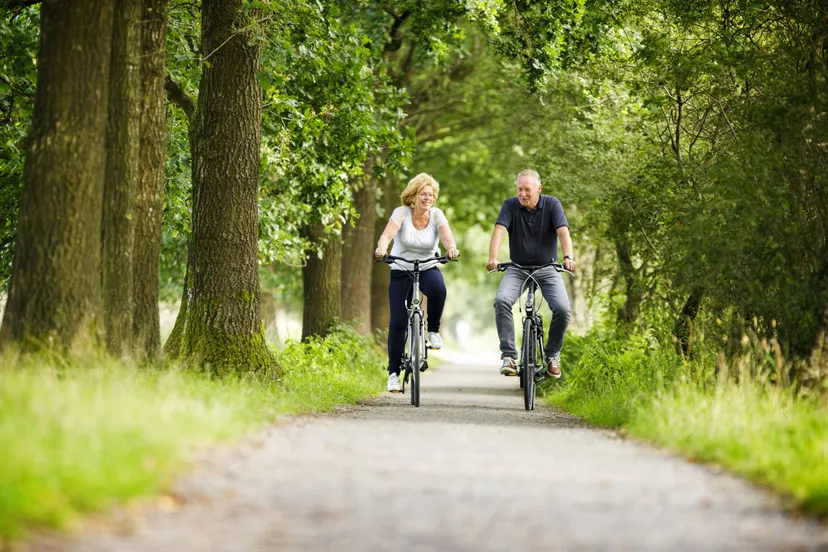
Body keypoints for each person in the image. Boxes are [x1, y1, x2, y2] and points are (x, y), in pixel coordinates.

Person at [486, 169, 577, 379]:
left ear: (539, 188)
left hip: (547, 268)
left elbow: (563, 231)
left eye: (527, 189)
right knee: (501, 301)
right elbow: (499, 230)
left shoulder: (552, 204)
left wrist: (568, 257)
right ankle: (509, 356)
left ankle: (552, 355)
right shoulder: (510, 205)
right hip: (517, 268)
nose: (522, 194)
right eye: (519, 189)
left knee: (563, 309)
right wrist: (493, 258)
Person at [375, 173, 460, 393]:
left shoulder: (436, 215)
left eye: (431, 194)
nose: (427, 198)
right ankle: (393, 373)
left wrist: (451, 248)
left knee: (438, 289)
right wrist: (382, 248)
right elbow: (387, 235)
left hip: (427, 266)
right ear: (413, 197)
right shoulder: (401, 213)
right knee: (397, 323)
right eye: (423, 194)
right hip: (401, 268)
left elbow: (447, 237)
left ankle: (432, 331)